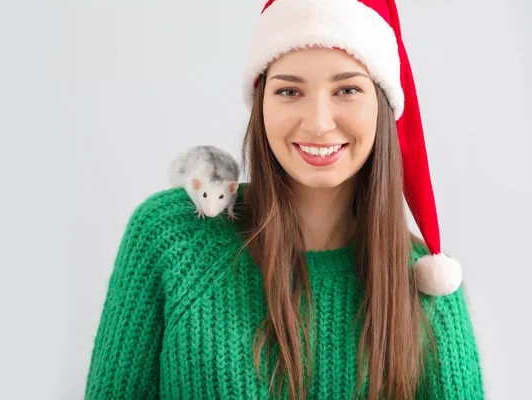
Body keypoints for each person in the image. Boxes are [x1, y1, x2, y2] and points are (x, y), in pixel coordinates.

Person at [84, 0, 485, 399]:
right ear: (261, 106)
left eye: (347, 89)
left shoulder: (427, 292)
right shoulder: (171, 239)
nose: (318, 122)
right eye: (289, 91)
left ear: (381, 106)